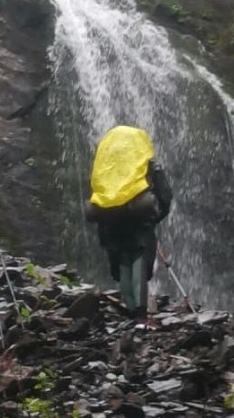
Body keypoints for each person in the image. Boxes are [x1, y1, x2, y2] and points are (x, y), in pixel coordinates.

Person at [86, 126, 173, 328]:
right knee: (139, 268)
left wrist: (103, 237)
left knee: (124, 267)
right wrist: (156, 217)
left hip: (113, 229)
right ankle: (141, 317)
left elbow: (98, 201)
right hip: (140, 226)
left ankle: (131, 312)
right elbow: (165, 196)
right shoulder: (146, 166)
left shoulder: (105, 171)